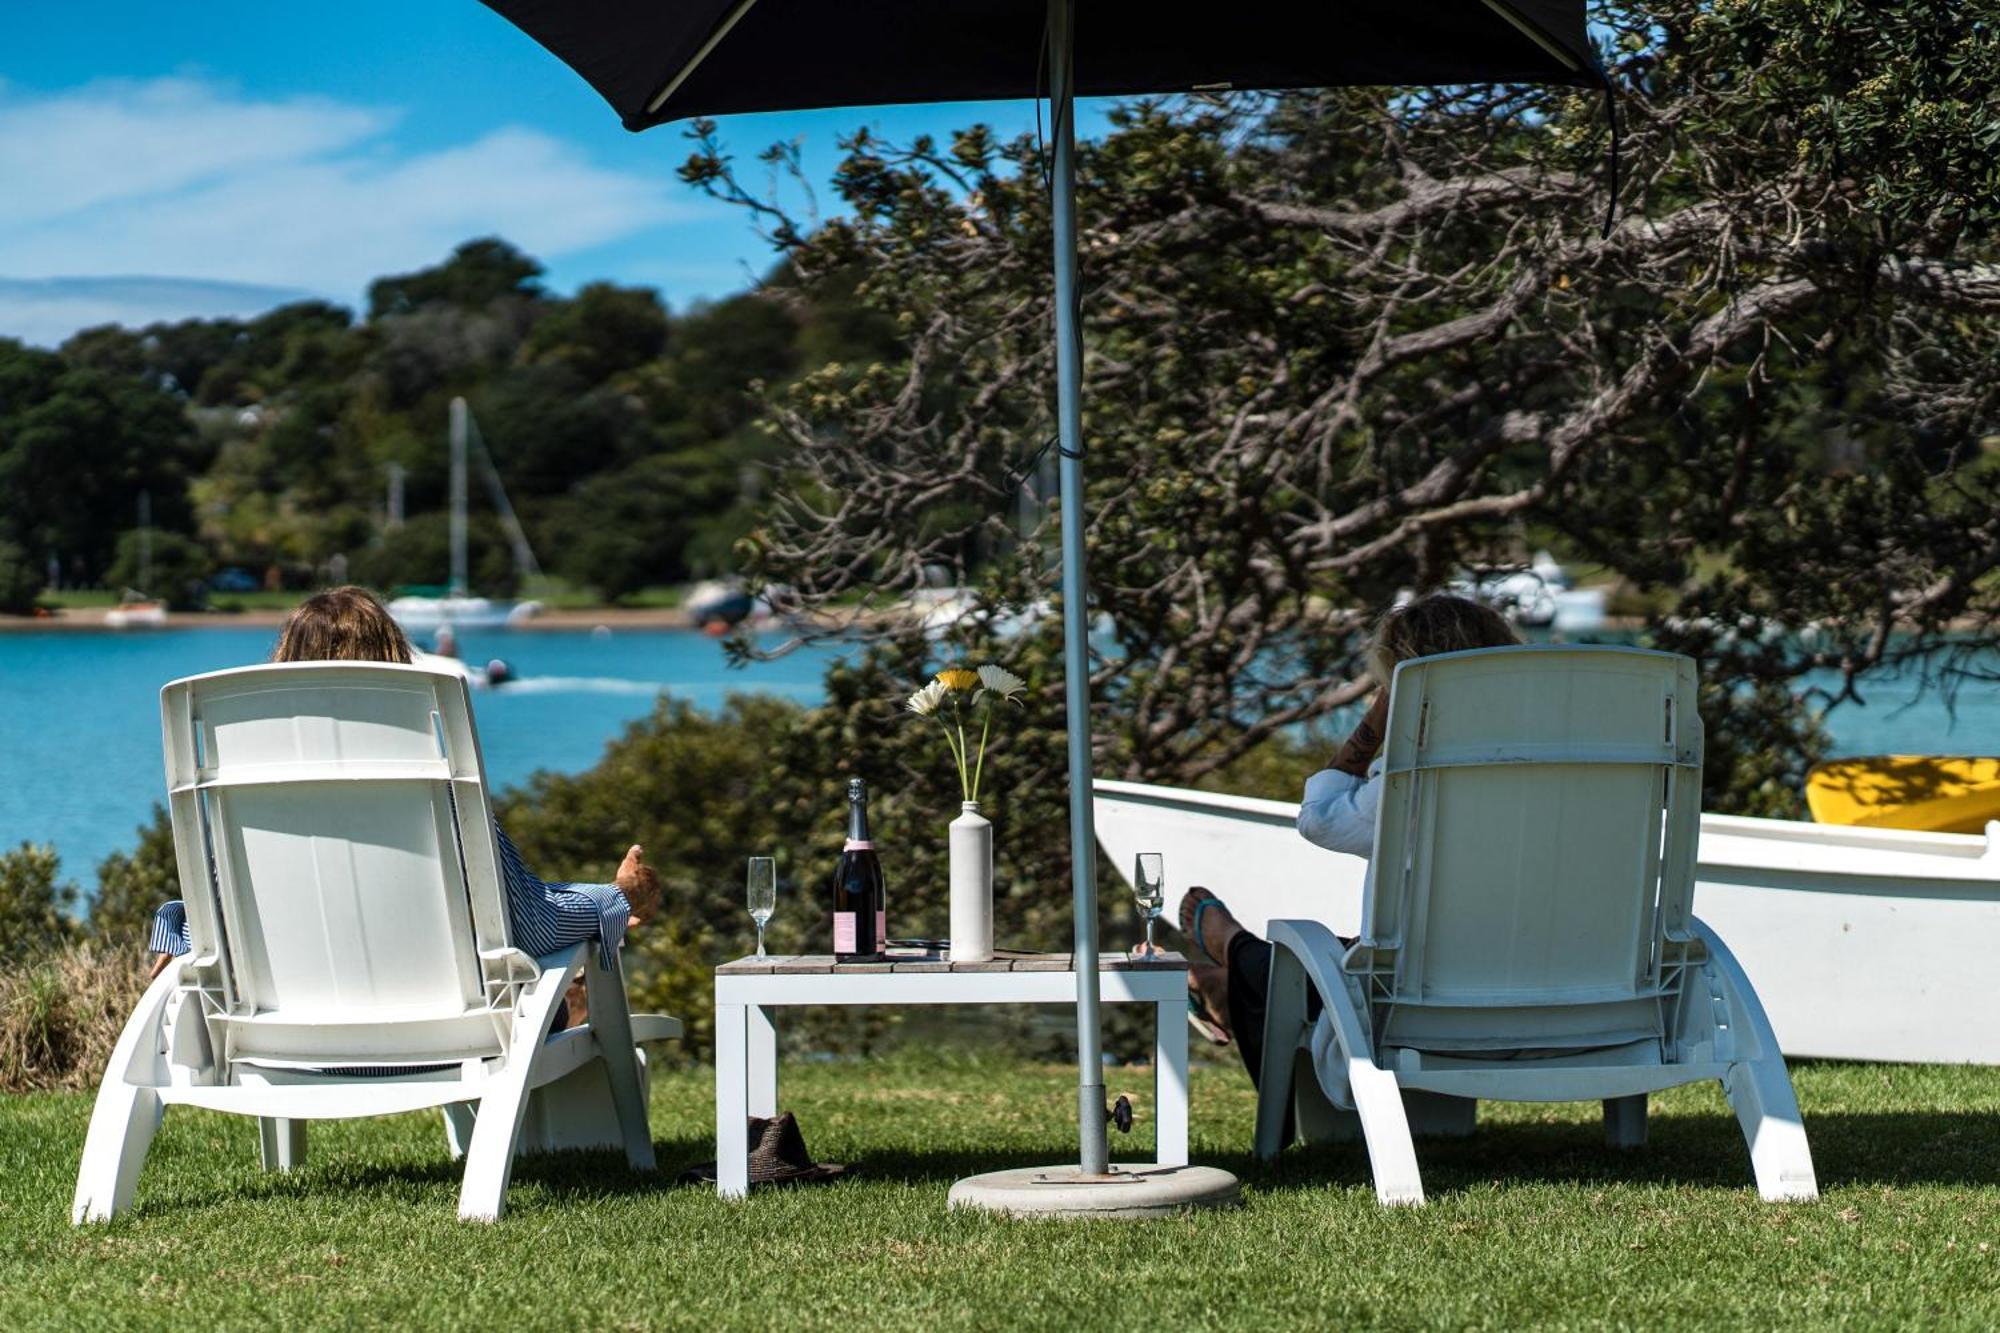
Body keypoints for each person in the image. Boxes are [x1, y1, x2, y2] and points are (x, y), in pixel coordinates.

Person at [147, 587, 662, 997]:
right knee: (570, 991)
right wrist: (614, 900)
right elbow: (531, 924)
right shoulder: (436, 789)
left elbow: (217, 920)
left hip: (278, 1041)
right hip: (451, 1039)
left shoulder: (249, 802)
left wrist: (179, 930)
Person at [1176, 593, 1520, 1086]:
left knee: (1320, 957)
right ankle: (1231, 972)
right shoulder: (1602, 774)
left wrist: (1379, 717)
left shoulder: (1413, 783)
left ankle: (1234, 954)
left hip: (1426, 1009)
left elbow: (1318, 819)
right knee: (1369, 951)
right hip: (1586, 1000)